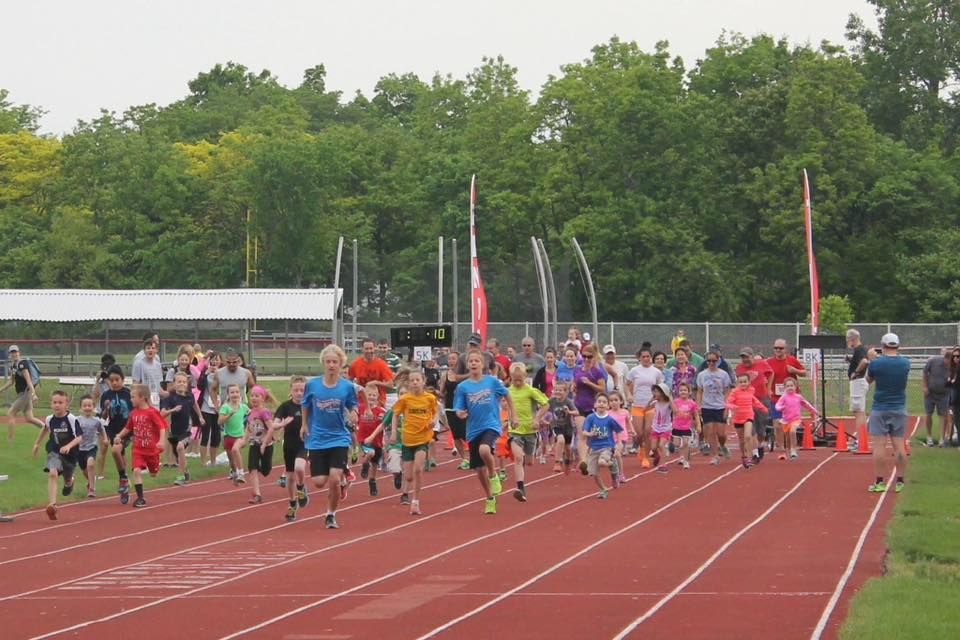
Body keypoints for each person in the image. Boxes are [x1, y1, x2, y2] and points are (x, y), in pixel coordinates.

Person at [301, 344, 359, 529]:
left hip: (339, 437)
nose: (331, 365)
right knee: (319, 482)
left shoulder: (347, 387)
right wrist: (304, 424)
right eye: (328, 362)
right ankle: (341, 478)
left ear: (341, 363)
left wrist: (354, 412)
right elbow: (305, 404)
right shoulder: (312, 384)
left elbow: (352, 404)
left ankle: (331, 514)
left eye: (335, 362)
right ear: (323, 363)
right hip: (317, 437)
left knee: (334, 478)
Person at [453, 349, 517, 515]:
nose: (474, 363)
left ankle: (493, 474)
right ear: (467, 365)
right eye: (471, 361)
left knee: (484, 450)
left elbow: (508, 395)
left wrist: (513, 416)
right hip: (473, 429)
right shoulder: (463, 387)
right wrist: (460, 413)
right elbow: (459, 407)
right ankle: (489, 498)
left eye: (477, 361)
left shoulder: (492, 382)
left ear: (483, 364)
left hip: (491, 425)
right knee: (478, 470)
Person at [866, 333, 910, 493]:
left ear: (883, 345)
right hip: (899, 407)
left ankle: (879, 481)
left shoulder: (876, 363)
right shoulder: (905, 363)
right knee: (899, 445)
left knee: (879, 446)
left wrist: (872, 359)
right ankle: (900, 481)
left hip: (880, 407)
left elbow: (868, 380)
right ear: (897, 346)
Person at [390, 370, 438, 515]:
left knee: (418, 470)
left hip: (423, 439)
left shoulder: (430, 398)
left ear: (423, 381)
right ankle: (406, 482)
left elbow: (435, 412)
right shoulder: (405, 399)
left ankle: (415, 501)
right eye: (412, 380)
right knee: (409, 476)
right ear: (409, 383)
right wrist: (393, 432)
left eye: (418, 380)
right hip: (407, 440)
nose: (415, 383)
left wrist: (433, 421)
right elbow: (395, 415)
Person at [113, 384, 168, 508]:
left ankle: (154, 468)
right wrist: (119, 436)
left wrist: (161, 441)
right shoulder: (133, 413)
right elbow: (128, 428)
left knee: (154, 474)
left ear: (142, 397)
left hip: (152, 450)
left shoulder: (152, 412)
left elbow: (162, 427)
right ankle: (140, 498)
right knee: (136, 471)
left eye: (133, 397)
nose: (130, 399)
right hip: (138, 449)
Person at [32, 390, 82, 520]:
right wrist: (36, 444)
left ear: (66, 404)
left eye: (60, 402)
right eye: (55, 402)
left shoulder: (71, 419)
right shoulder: (50, 419)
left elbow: (79, 437)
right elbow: (44, 429)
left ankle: (69, 482)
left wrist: (69, 446)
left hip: (70, 454)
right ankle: (52, 505)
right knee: (53, 473)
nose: (57, 405)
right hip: (54, 451)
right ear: (51, 404)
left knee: (67, 478)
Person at [506, 363, 549, 502]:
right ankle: (520, 488)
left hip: (530, 430)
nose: (517, 381)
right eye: (515, 379)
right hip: (515, 431)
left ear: (525, 377)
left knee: (529, 461)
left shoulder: (530, 390)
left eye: (520, 379)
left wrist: (537, 418)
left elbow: (546, 404)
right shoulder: (507, 391)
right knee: (518, 458)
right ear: (510, 377)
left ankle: (528, 456)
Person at [275, 376, 310, 521]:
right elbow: (274, 424)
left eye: (302, 390)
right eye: (296, 390)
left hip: (304, 443)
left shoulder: (309, 406)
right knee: (289, 477)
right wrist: (282, 424)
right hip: (289, 444)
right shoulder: (285, 406)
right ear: (291, 390)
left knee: (300, 468)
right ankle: (292, 502)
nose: (299, 393)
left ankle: (301, 487)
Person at [626, 348, 664, 467]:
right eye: (644, 357)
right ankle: (642, 449)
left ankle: (646, 458)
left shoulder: (656, 372)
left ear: (651, 358)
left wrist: (658, 397)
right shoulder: (634, 371)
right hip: (637, 404)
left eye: (648, 356)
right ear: (640, 358)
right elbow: (626, 384)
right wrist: (629, 394)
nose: (646, 359)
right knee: (639, 433)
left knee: (648, 431)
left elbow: (661, 386)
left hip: (651, 405)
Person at [766, 338, 806, 452]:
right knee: (777, 424)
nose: (778, 350)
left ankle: (790, 447)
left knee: (789, 425)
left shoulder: (792, 360)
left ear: (785, 349)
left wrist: (795, 370)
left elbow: (804, 372)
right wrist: (767, 389)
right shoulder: (769, 362)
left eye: (780, 348)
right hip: (776, 398)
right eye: (776, 348)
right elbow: (763, 376)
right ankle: (781, 448)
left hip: (791, 399)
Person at [572, 345, 606, 474]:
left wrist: (589, 383)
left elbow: (602, 389)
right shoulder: (577, 369)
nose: (586, 359)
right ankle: (583, 461)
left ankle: (595, 457)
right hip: (579, 405)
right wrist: (573, 387)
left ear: (594, 357)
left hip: (593, 406)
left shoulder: (596, 372)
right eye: (584, 356)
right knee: (582, 434)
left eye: (589, 357)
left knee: (593, 435)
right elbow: (575, 384)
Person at [583, 393, 623, 499]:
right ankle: (603, 489)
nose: (601, 404)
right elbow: (584, 432)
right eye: (599, 401)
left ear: (607, 405)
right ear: (595, 404)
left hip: (607, 447)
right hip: (594, 448)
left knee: (601, 462)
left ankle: (612, 466)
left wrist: (619, 443)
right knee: (593, 473)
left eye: (604, 402)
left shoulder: (609, 419)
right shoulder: (591, 418)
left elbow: (618, 431)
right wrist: (590, 434)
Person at [696, 351, 732, 466]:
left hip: (720, 406)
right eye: (709, 361)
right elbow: (699, 391)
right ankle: (715, 456)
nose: (711, 363)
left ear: (718, 361)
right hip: (707, 406)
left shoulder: (723, 375)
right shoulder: (702, 375)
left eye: (714, 361)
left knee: (721, 433)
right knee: (710, 432)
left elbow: (727, 391)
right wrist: (698, 406)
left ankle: (722, 445)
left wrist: (727, 405)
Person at [2, 344, 45, 439]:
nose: (14, 354)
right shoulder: (13, 366)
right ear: (10, 354)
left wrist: (34, 394)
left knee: (10, 413)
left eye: (15, 352)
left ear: (19, 352)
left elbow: (29, 380)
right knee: (29, 418)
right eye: (12, 352)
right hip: (22, 394)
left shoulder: (22, 364)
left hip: (25, 393)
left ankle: (10, 438)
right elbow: (11, 381)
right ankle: (47, 428)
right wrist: (1, 389)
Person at [735, 347, 773, 453]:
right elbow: (738, 383)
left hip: (762, 399)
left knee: (761, 428)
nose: (745, 360)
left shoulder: (762, 364)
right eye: (743, 358)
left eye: (746, 357)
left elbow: (771, 373)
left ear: (752, 356)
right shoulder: (739, 368)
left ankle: (759, 444)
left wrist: (769, 388)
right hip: (747, 402)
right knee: (751, 427)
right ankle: (754, 451)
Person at [726, 374, 768, 468]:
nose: (743, 384)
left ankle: (750, 457)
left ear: (749, 382)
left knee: (748, 436)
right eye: (741, 382)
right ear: (738, 383)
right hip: (738, 418)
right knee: (742, 441)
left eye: (745, 381)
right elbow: (728, 403)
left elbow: (754, 400)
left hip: (748, 416)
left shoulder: (751, 390)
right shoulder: (735, 392)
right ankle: (744, 456)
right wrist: (734, 407)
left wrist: (763, 408)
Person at [244, 385, 277, 504]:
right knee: (252, 468)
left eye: (257, 396)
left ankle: (261, 468)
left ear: (262, 398)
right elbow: (249, 428)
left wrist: (265, 442)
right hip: (254, 444)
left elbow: (271, 428)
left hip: (266, 446)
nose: (254, 398)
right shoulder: (250, 412)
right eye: (252, 395)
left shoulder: (264, 412)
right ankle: (257, 494)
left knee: (266, 471)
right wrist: (244, 440)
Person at [774, 378, 818, 460]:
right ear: (784, 388)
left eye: (792, 385)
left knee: (793, 431)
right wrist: (781, 408)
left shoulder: (798, 397)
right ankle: (787, 451)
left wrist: (815, 411)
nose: (790, 387)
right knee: (787, 438)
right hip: (786, 420)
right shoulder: (784, 397)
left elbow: (807, 404)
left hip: (796, 419)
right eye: (788, 386)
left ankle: (793, 449)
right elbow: (777, 406)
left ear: (795, 386)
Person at [440, 351, 470, 469]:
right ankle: (465, 459)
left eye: (453, 358)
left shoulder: (465, 375)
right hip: (449, 407)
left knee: (466, 434)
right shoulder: (445, 375)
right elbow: (442, 392)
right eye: (449, 359)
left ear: (459, 360)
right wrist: (435, 392)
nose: (451, 361)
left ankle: (474, 456)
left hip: (462, 407)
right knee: (456, 435)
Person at [356, 383, 387, 496]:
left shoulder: (381, 411)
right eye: (369, 395)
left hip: (377, 440)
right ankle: (365, 464)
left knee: (375, 464)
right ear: (364, 396)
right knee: (370, 453)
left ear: (377, 396)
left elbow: (385, 424)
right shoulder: (360, 408)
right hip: (364, 439)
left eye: (374, 395)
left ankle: (372, 481)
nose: (371, 397)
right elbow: (354, 419)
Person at [76, 394, 108, 498]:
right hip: (80, 449)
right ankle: (90, 482)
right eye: (84, 405)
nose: (87, 408)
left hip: (91, 447)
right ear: (80, 408)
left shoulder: (96, 421)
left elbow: (102, 431)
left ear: (93, 407)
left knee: (90, 465)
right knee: (84, 470)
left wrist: (105, 439)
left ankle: (92, 489)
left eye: (89, 405)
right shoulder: (77, 420)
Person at [218, 384, 250, 485]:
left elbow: (251, 414)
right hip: (228, 436)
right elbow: (219, 421)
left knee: (236, 450)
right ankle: (235, 473)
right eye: (232, 392)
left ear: (240, 393)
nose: (235, 394)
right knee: (232, 460)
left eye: (236, 392)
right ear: (228, 394)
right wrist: (229, 415)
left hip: (240, 436)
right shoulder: (225, 407)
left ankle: (241, 473)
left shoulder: (243, 407)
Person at [348, 338, 395, 405]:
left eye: (371, 348)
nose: (369, 351)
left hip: (378, 402)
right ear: (362, 349)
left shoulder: (381, 364)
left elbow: (391, 384)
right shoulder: (355, 364)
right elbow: (349, 381)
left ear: (374, 348)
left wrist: (376, 382)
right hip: (361, 402)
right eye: (366, 349)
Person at [922, 348, 952, 447]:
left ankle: (942, 439)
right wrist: (925, 386)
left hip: (944, 394)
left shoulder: (954, 366)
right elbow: (925, 372)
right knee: (928, 414)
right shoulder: (933, 361)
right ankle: (929, 437)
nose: (948, 365)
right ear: (945, 359)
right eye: (948, 362)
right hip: (930, 393)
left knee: (943, 415)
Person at [547, 381, 579, 473]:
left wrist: (569, 412)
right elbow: (545, 407)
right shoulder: (552, 401)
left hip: (568, 427)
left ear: (566, 392)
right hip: (556, 426)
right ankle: (557, 462)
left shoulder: (568, 402)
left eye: (560, 390)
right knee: (560, 440)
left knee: (568, 448)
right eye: (556, 390)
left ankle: (568, 461)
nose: (557, 392)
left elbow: (576, 412)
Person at [197, 351, 222, 467]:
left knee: (216, 435)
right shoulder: (205, 372)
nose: (215, 362)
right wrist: (206, 374)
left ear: (221, 361)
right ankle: (203, 462)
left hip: (219, 408)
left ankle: (213, 461)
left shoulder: (223, 373)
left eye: (217, 359)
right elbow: (199, 386)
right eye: (213, 360)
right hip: (206, 407)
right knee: (205, 434)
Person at [846, 330, 870, 446]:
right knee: (860, 411)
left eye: (848, 339)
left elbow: (864, 361)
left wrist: (855, 372)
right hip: (859, 382)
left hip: (858, 382)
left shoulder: (859, 349)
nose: (847, 342)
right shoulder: (860, 350)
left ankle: (861, 440)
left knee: (858, 412)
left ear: (852, 339)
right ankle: (862, 438)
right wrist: (851, 361)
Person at [672, 383, 699, 469]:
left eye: (685, 390)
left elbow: (696, 414)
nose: (683, 392)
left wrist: (698, 425)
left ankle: (686, 461)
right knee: (677, 444)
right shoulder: (675, 402)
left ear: (689, 392)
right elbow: (671, 411)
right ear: (678, 392)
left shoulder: (692, 403)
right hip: (676, 426)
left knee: (686, 443)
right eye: (681, 390)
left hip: (686, 427)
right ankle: (682, 456)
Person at [649, 383, 675, 473]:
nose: (654, 393)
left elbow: (675, 411)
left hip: (665, 428)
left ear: (663, 392)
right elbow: (645, 409)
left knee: (661, 445)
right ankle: (657, 456)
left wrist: (670, 398)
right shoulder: (655, 403)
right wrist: (651, 400)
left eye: (656, 391)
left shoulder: (668, 404)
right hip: (656, 428)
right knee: (653, 448)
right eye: (654, 391)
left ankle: (663, 464)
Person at [131, 339, 165, 407]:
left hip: (155, 399)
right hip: (144, 399)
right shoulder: (138, 364)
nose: (150, 350)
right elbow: (135, 383)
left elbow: (158, 386)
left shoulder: (158, 365)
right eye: (148, 348)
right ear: (144, 350)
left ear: (156, 350)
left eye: (153, 348)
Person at [608, 390, 632, 483]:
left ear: (621, 401)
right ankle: (615, 473)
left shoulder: (625, 412)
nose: (613, 402)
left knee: (617, 454)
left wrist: (632, 430)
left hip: (622, 438)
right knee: (612, 457)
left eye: (616, 400)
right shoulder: (608, 413)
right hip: (610, 438)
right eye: (611, 400)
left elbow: (628, 423)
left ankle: (621, 474)